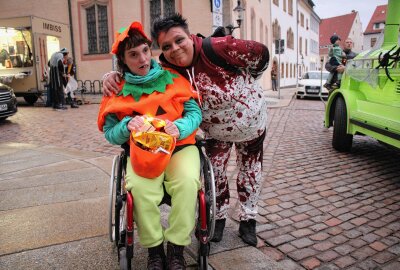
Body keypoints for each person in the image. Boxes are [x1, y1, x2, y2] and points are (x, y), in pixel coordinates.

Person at [102, 13, 270, 247]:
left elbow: (261, 55)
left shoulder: (219, 48)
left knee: (250, 171)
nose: (175, 48)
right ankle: (218, 219)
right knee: (217, 173)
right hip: (215, 131)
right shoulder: (169, 67)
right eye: (166, 46)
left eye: (179, 40)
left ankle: (248, 220)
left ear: (190, 37)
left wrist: (248, 82)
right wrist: (111, 76)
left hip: (250, 124)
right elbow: (139, 73)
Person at [97, 21, 202, 270]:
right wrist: (126, 127)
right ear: (123, 61)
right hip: (143, 152)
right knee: (140, 190)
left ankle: (176, 248)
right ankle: (155, 249)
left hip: (179, 147)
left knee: (188, 183)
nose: (142, 58)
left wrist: (182, 127)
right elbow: (111, 134)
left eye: (145, 50)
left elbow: (194, 112)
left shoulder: (173, 77)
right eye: (133, 55)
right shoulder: (117, 89)